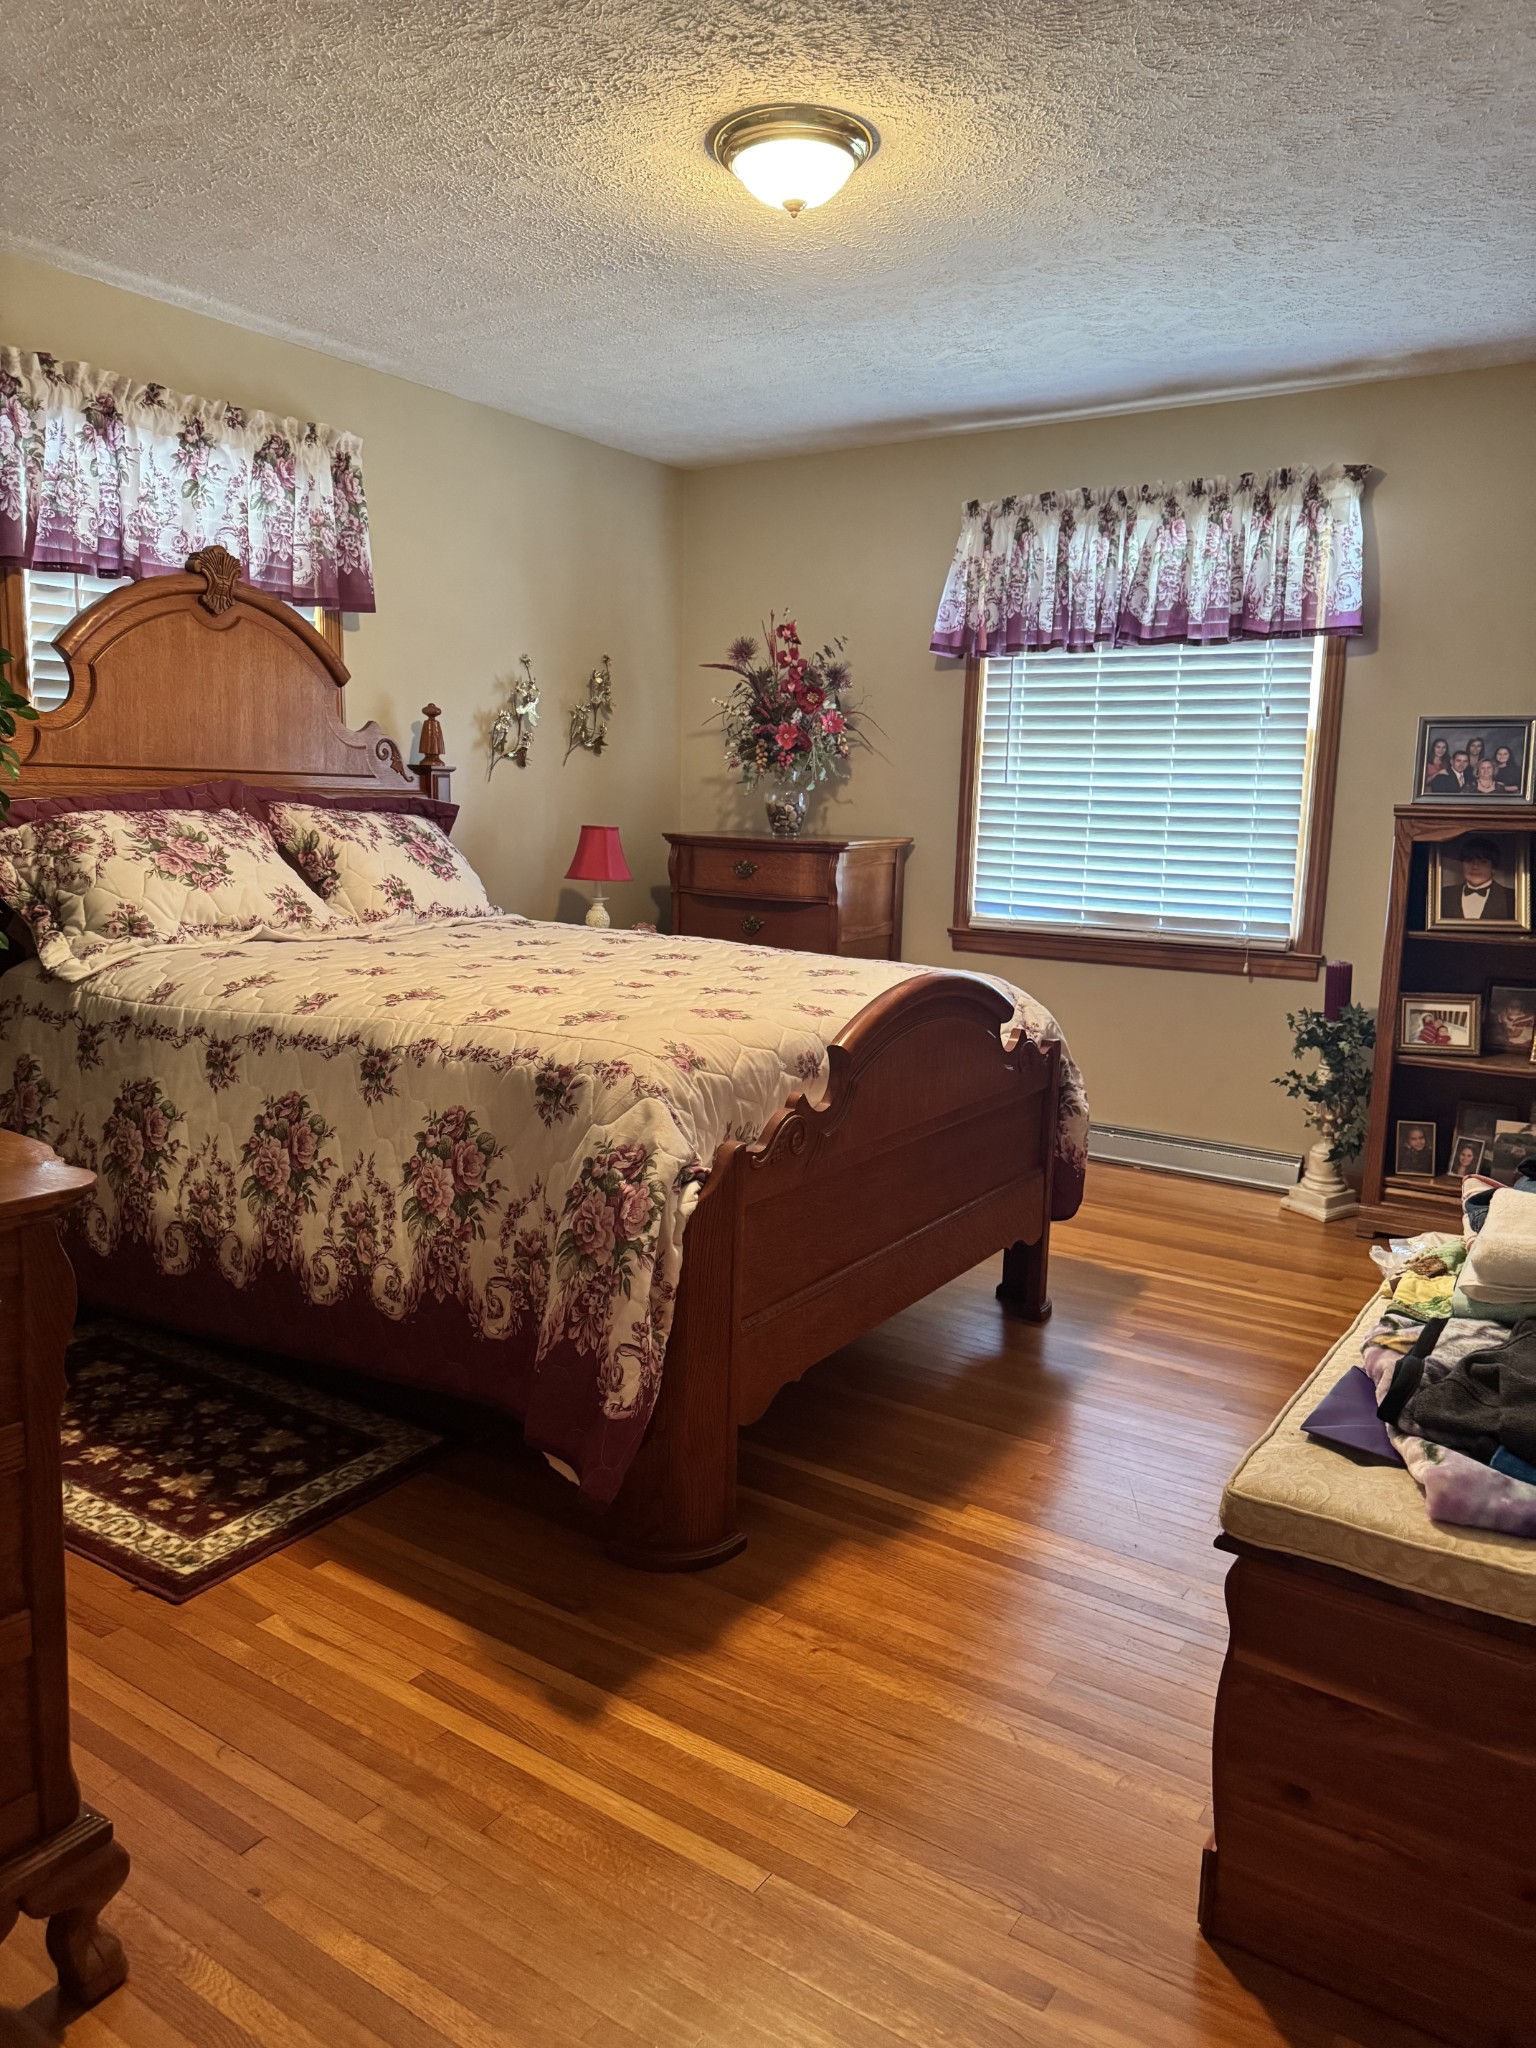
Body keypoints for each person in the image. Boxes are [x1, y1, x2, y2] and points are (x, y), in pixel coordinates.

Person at [1440, 836, 1516, 922]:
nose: (1475, 866)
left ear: (1493, 867)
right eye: (1469, 860)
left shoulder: (1512, 898)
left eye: (1483, 861)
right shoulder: (1443, 895)